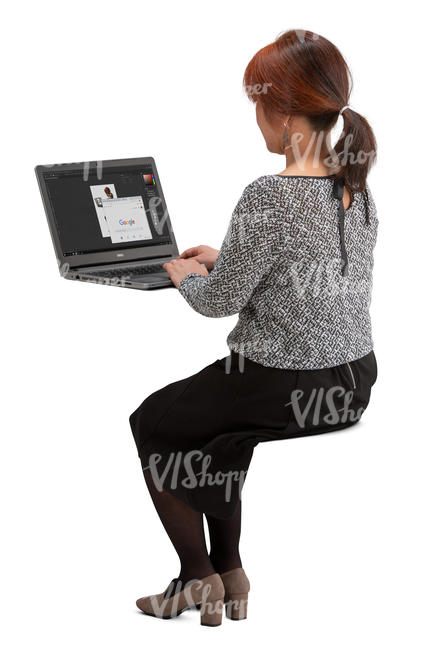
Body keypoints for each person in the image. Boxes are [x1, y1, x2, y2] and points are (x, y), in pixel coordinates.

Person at [129, 29, 378, 626]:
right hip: (351, 383)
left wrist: (181, 273)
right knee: (222, 435)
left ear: (285, 115)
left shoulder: (268, 194)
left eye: (257, 107)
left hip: (281, 383)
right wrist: (227, 256)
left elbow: (217, 303)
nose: (256, 121)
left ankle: (196, 578)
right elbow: (310, 276)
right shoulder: (356, 186)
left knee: (152, 423)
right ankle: (230, 573)